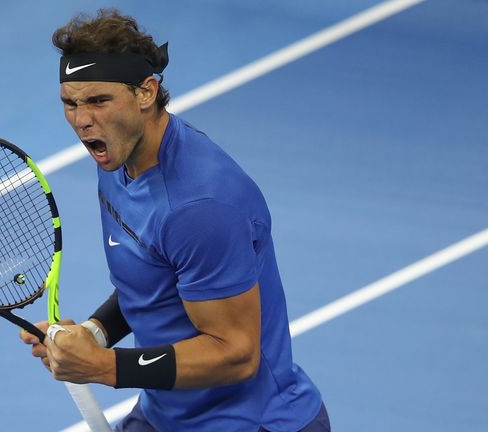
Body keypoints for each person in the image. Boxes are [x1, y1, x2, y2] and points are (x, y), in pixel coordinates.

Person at [20, 8, 330, 432]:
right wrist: (96, 333)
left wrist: (105, 366)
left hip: (249, 423)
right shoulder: (116, 157)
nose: (81, 120)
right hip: (166, 415)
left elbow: (236, 353)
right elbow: (156, 279)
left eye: (98, 101)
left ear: (146, 93)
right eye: (70, 103)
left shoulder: (200, 206)